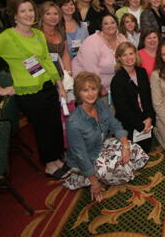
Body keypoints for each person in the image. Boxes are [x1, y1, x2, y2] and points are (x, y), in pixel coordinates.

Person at [0, 0, 67, 178]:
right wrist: (0, 89)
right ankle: (49, 164)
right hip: (29, 93)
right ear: (14, 15)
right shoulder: (6, 37)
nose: (28, 14)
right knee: (43, 128)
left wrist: (59, 85)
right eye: (23, 11)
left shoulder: (38, 33)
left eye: (31, 10)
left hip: (48, 86)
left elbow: (47, 61)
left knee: (54, 124)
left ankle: (57, 159)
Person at [63, 72, 148, 201]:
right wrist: (95, 182)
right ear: (78, 93)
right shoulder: (73, 122)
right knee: (109, 169)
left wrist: (125, 145)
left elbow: (115, 125)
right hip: (87, 157)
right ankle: (86, 177)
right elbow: (80, 155)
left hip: (102, 144)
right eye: (85, 90)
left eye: (93, 89)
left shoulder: (100, 104)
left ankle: (116, 169)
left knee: (134, 148)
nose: (91, 93)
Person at [111, 42, 156, 153]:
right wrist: (140, 126)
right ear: (119, 58)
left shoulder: (142, 72)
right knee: (134, 154)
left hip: (145, 118)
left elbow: (148, 98)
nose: (129, 58)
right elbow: (123, 110)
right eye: (124, 55)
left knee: (146, 150)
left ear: (136, 55)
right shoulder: (117, 80)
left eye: (131, 53)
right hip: (129, 122)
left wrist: (150, 118)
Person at [72, 13, 127, 99]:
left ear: (117, 24)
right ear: (101, 26)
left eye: (112, 22)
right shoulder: (92, 42)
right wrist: (100, 88)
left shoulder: (122, 39)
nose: (110, 26)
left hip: (115, 84)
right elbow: (90, 69)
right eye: (106, 23)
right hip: (91, 85)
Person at [38, 1, 72, 76]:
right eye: (48, 14)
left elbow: (65, 53)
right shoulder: (37, 34)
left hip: (62, 71)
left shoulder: (61, 30)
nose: (53, 17)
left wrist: (68, 73)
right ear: (42, 16)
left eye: (56, 14)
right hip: (46, 74)